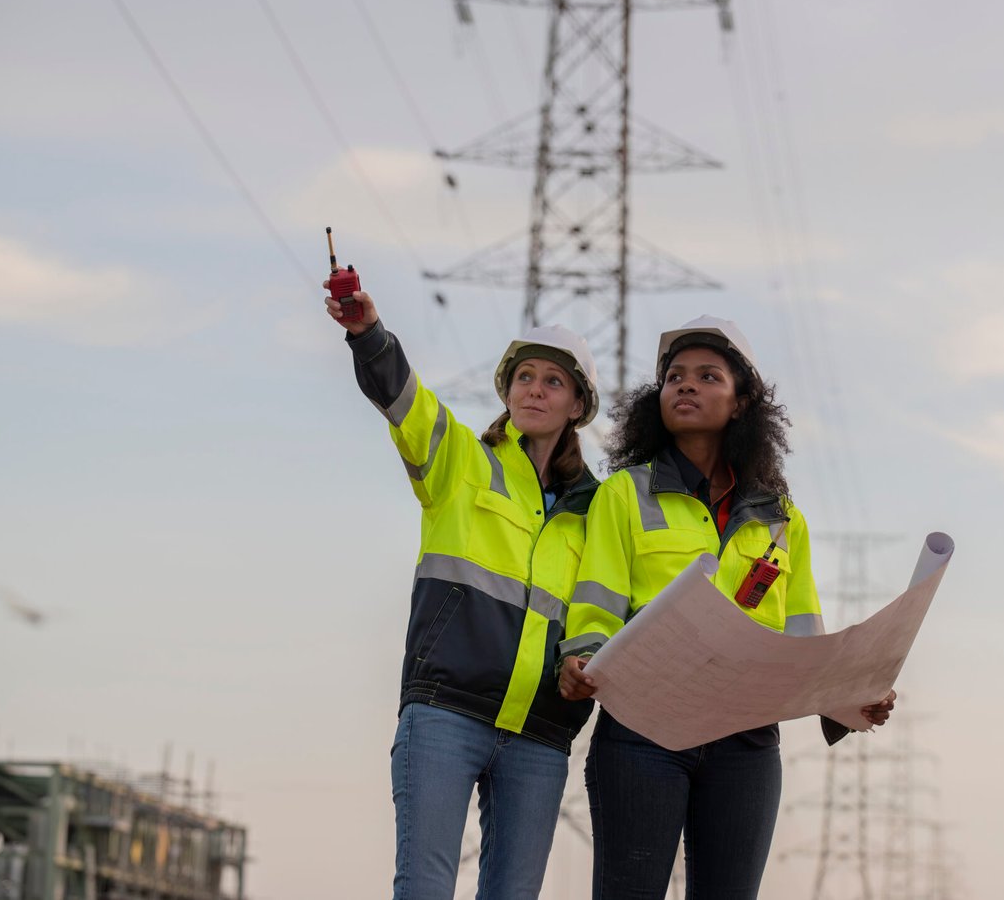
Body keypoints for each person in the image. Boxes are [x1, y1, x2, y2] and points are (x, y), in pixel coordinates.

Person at [557, 315, 896, 899]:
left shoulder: (782, 518)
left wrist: (846, 695)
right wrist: (582, 657)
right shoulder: (624, 493)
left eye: (707, 376)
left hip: (746, 743)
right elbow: (597, 600)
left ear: (742, 405)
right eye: (674, 377)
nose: (685, 385)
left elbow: (803, 636)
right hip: (643, 732)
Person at [324, 279, 601, 900]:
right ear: (507, 389)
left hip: (539, 732)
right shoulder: (462, 462)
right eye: (524, 376)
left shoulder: (599, 511)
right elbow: (405, 401)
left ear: (578, 404)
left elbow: (604, 611)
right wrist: (368, 335)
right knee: (424, 888)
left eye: (553, 381)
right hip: (446, 713)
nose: (535, 389)